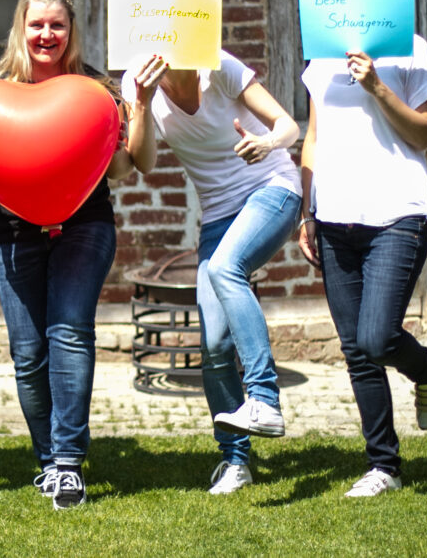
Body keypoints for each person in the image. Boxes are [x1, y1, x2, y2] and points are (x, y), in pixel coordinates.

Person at [0, 0, 134, 510]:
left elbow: (121, 169)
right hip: (13, 232)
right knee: (28, 354)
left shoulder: (95, 89)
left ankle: (68, 463)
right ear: (21, 27)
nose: (47, 34)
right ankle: (46, 459)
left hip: (85, 226)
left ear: (72, 32)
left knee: (68, 332)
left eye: (57, 25)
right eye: (37, 24)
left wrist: (124, 121)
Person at [297, 0, 427, 498]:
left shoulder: (413, 50)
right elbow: (314, 136)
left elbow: (425, 134)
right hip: (334, 215)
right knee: (357, 351)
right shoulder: (321, 59)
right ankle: (383, 465)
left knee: (379, 335)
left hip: (397, 211)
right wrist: (305, 210)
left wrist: (378, 86)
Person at [123, 48, 301, 496]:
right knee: (216, 346)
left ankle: (264, 397)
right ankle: (235, 461)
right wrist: (141, 104)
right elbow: (143, 162)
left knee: (225, 267)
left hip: (271, 188)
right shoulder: (136, 82)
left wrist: (267, 142)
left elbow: (288, 126)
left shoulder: (219, 67)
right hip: (219, 214)